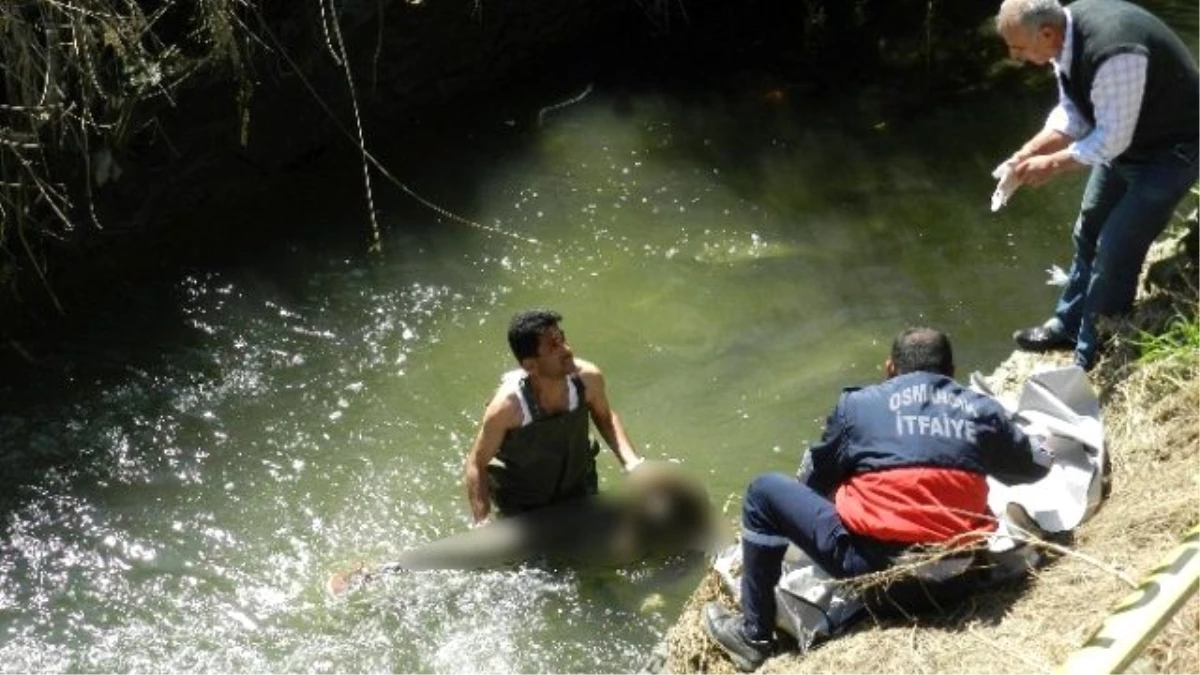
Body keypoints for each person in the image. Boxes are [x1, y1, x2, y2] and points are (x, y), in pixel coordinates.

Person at [702, 327, 1052, 672]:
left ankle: (754, 637)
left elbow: (811, 481)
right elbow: (1036, 466)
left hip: (880, 587)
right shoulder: (981, 410)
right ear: (952, 373)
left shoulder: (857, 406)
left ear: (888, 368)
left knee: (763, 491)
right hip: (956, 581)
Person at [996, 0, 1200, 370]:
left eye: (1018, 48)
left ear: (1045, 33)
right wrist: (1029, 150)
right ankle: (1068, 324)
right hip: (1129, 142)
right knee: (1088, 227)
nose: (1016, 57)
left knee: (1116, 246)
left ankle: (1096, 346)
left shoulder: (1114, 52)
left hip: (1172, 151)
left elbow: (1109, 139)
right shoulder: (1064, 37)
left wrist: (1053, 164)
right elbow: (1074, 111)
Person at [462, 309, 644, 524]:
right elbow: (476, 463)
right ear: (530, 365)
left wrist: (632, 463)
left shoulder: (587, 379)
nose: (566, 349)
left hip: (578, 488)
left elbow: (606, 418)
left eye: (562, 338)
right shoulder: (507, 408)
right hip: (523, 507)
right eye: (553, 345)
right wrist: (482, 523)